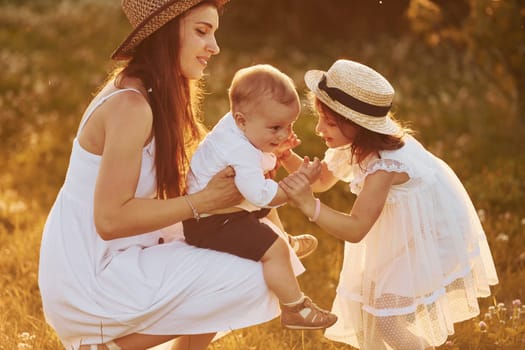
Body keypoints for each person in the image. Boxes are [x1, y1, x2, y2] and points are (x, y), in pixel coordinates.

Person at [37, 1, 304, 349]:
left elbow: (197, 170)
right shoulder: (130, 106)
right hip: (90, 274)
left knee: (255, 251)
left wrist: (261, 154)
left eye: (214, 32)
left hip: (128, 250)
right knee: (254, 275)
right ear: (165, 33)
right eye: (201, 31)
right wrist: (201, 202)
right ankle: (107, 347)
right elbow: (109, 220)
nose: (214, 47)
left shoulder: (162, 93)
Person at [278, 59, 499, 349]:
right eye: (320, 118)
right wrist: (284, 156)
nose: (319, 129)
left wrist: (311, 207)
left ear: (358, 126)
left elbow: (356, 228)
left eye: (329, 122)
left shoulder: (385, 165)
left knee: (387, 317)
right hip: (405, 232)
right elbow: (320, 182)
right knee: (368, 308)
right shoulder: (354, 143)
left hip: (432, 235)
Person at [182, 64, 337, 330]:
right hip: (208, 224)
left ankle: (285, 240)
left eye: (289, 126)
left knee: (267, 210)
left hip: (224, 208)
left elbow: (256, 163)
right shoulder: (238, 149)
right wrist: (297, 182)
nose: (284, 134)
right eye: (275, 128)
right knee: (272, 249)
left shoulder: (239, 126)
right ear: (241, 120)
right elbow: (262, 196)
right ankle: (294, 308)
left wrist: (277, 149)